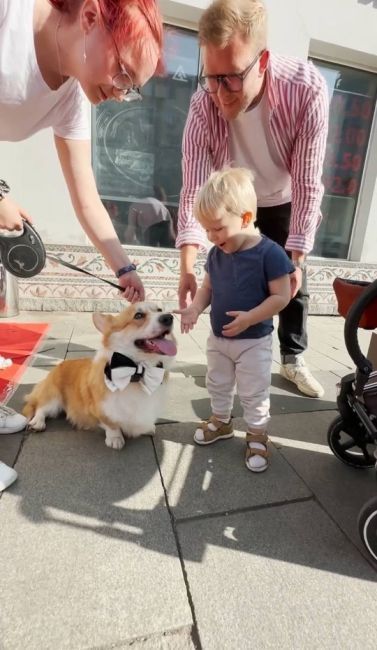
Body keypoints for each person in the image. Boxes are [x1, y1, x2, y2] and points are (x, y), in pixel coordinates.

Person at [0, 0, 163, 451]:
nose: (122, 91)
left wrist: (124, 268)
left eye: (133, 87)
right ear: (90, 16)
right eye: (124, 72)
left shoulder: (71, 97)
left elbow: (87, 200)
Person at [176, 0, 329, 399]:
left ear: (261, 60)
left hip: (282, 195)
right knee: (227, 266)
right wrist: (187, 267)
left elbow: (309, 182)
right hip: (233, 197)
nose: (220, 93)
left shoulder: (306, 88)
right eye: (211, 77)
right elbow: (192, 184)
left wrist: (295, 256)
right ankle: (232, 343)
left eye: (231, 78)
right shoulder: (202, 102)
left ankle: (292, 357)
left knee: (291, 279)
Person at [175, 167, 293, 472]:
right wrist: (194, 309)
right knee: (217, 382)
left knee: (254, 390)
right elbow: (207, 289)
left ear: (244, 218)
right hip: (219, 338)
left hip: (254, 341)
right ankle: (222, 421)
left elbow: (282, 297)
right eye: (207, 231)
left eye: (217, 228)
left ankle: (257, 434)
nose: (212, 238)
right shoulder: (216, 254)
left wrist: (251, 317)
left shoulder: (270, 253)